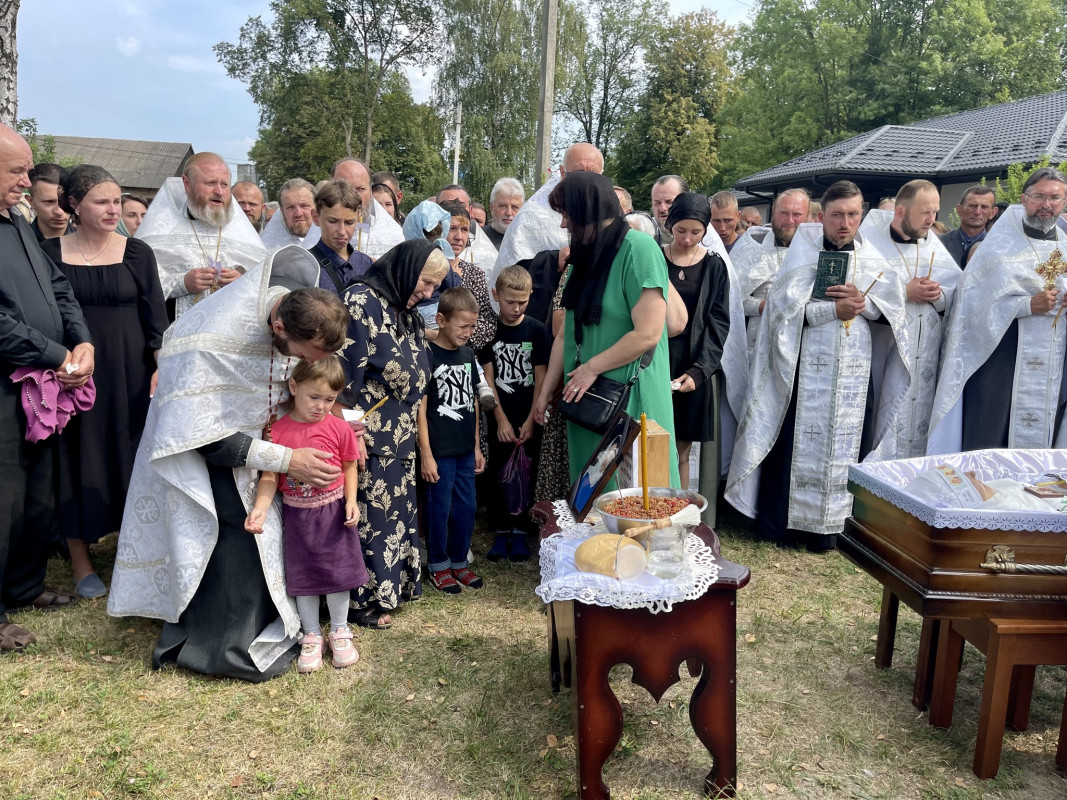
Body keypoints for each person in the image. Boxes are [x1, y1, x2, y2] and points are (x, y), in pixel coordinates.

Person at [108, 246, 351, 682]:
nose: (310, 363)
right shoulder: (212, 338)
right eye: (307, 353)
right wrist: (286, 458)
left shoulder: (295, 312)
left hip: (267, 455)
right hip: (204, 463)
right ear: (278, 327)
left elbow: (293, 385)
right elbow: (199, 436)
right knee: (236, 545)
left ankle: (282, 624)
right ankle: (225, 644)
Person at [726, 181, 902, 552]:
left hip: (854, 370)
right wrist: (830, 310)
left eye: (853, 215)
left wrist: (864, 304)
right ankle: (784, 526)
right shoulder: (802, 256)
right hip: (803, 370)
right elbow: (780, 313)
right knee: (792, 442)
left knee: (848, 443)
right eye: (837, 214)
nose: (845, 222)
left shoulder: (872, 258)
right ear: (822, 217)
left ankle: (833, 528)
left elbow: (894, 312)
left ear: (862, 215)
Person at [40, 165, 168, 599]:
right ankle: (79, 559)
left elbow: (156, 319)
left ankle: (135, 547)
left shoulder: (138, 253)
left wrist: (158, 366)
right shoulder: (48, 252)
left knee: (131, 454)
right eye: (102, 201)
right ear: (74, 205)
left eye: (117, 201)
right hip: (73, 374)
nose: (114, 210)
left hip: (131, 373)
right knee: (75, 456)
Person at [0, 124, 90, 652]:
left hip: (45, 385)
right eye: (16, 171)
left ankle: (24, 584)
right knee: (3, 500)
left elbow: (57, 285)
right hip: (8, 385)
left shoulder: (17, 219)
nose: (27, 181)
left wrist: (81, 342)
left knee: (36, 494)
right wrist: (57, 355)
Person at [532, 171, 679, 486]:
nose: (563, 224)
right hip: (586, 402)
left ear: (588, 211)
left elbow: (648, 333)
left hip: (630, 400)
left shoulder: (639, 250)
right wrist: (545, 392)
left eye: (567, 215)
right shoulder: (584, 258)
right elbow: (567, 333)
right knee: (592, 500)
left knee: (640, 501)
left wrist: (590, 369)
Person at [338, 240, 450, 629]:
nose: (429, 292)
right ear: (406, 268)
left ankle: (393, 587)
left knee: (396, 515)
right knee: (371, 516)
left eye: (436, 285)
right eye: (426, 282)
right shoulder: (359, 301)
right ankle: (362, 599)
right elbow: (344, 377)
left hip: (400, 435)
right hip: (367, 436)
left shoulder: (409, 312)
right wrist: (351, 434)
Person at [928, 167, 1067, 453]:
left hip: (1054, 365)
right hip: (1000, 362)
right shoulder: (997, 247)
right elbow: (970, 306)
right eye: (1039, 196)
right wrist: (1027, 305)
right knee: (991, 437)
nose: (1046, 204)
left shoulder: (1066, 246)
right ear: (1024, 198)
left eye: (1055, 197)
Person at [244, 356, 366, 673]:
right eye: (314, 397)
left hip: (335, 513)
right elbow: (269, 476)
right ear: (294, 387)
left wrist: (352, 500)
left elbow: (350, 465)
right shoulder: (278, 432)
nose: (321, 406)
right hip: (298, 519)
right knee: (304, 576)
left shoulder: (339, 429)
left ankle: (340, 630)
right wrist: (259, 509)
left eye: (329, 399)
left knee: (339, 573)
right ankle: (311, 635)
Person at [858, 180, 960, 460]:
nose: (932, 219)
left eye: (936, 212)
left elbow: (957, 296)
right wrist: (904, 292)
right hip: (885, 354)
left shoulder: (933, 247)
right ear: (901, 211)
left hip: (926, 360)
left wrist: (938, 296)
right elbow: (860, 296)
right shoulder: (871, 244)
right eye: (925, 212)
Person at [136, 152, 267, 320]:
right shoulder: (159, 230)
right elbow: (137, 287)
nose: (219, 191)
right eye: (210, 183)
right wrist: (182, 284)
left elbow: (264, 284)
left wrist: (242, 282)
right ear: (187, 183)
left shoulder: (242, 233)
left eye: (225, 185)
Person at [417, 287, 486, 593]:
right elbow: (421, 408)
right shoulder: (428, 355)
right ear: (441, 320)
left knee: (466, 508)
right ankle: (438, 564)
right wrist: (426, 453)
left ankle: (460, 562)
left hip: (464, 450)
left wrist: (476, 445)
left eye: (472, 326)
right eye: (463, 326)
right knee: (439, 509)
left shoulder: (469, 355)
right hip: (440, 451)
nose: (468, 333)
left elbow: (472, 401)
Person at [662, 193, 731, 490]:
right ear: (669, 225)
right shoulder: (654, 257)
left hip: (691, 366)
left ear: (705, 231)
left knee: (681, 450)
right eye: (681, 230)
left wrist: (700, 371)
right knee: (648, 443)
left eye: (696, 232)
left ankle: (677, 513)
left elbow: (718, 322)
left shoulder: (714, 266)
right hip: (656, 360)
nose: (687, 239)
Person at [479, 266, 548, 561]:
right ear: (496, 295)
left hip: (528, 417)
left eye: (522, 302)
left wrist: (533, 418)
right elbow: (488, 378)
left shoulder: (536, 329)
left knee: (526, 470)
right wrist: (500, 419)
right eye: (510, 302)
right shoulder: (488, 332)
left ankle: (521, 529)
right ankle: (501, 527)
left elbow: (542, 375)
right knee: (498, 469)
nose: (516, 308)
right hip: (501, 416)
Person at [728, 189, 810, 357]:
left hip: (801, 344)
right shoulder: (751, 247)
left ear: (808, 216)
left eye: (797, 214)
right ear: (773, 212)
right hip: (756, 341)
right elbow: (729, 298)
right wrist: (761, 306)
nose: (789, 220)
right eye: (784, 213)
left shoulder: (815, 252)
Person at [304, 158, 403, 259]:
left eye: (360, 189)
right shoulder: (318, 230)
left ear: (371, 191)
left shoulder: (394, 235)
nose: (354, 197)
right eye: (346, 188)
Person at [308, 179, 372, 295]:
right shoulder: (306, 264)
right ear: (316, 217)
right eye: (333, 221)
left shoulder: (366, 263)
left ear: (358, 218)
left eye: (349, 222)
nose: (342, 231)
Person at [437, 184, 497, 277]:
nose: (454, 208)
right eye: (446, 205)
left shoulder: (485, 252)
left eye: (460, 205)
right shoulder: (421, 252)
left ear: (470, 210)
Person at [939, 185, 998, 267]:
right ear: (959, 209)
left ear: (993, 213)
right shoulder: (939, 244)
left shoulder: (998, 248)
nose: (977, 212)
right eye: (973, 206)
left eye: (984, 207)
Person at [260, 178, 316, 250]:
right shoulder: (268, 249)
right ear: (282, 211)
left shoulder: (331, 242)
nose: (298, 214)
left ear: (316, 207)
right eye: (290, 207)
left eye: (304, 205)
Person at [28, 163, 72, 241]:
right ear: (31, 201)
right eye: (49, 202)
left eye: (65, 201)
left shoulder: (90, 243)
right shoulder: (16, 242)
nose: (59, 211)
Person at [484, 178, 524, 249]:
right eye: (503, 206)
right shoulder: (478, 239)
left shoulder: (529, 242)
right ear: (492, 207)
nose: (509, 213)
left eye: (514, 207)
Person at [650, 175, 688, 245]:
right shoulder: (645, 234)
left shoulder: (703, 233)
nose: (662, 209)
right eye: (657, 203)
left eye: (669, 202)